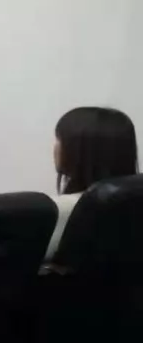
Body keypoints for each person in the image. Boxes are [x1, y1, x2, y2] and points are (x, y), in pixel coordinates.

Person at [45, 107, 137, 261]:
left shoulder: (58, 211)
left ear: (77, 150)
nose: (55, 147)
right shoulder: (134, 206)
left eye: (59, 139)